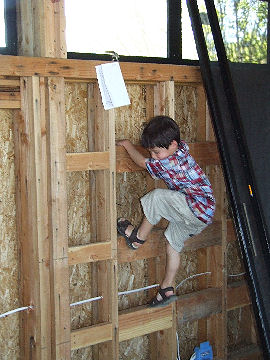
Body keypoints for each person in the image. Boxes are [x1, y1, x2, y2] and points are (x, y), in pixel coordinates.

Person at [116, 115, 215, 308]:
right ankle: (166, 289)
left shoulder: (171, 162)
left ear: (172, 144)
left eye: (156, 152)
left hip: (195, 207)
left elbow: (144, 163)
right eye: (152, 152)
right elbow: (152, 159)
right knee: (172, 242)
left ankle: (138, 238)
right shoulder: (181, 149)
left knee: (158, 197)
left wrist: (128, 145)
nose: (153, 156)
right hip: (202, 215)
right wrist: (156, 151)